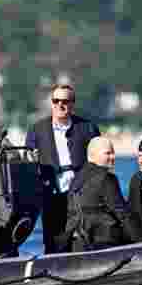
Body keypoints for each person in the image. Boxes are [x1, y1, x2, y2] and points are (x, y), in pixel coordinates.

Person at [25, 83, 101, 254]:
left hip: (81, 193)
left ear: (72, 103)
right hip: (52, 194)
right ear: (51, 103)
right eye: (56, 100)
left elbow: (100, 160)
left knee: (83, 238)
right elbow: (29, 163)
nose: (61, 104)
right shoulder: (37, 130)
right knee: (53, 243)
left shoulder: (88, 128)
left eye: (65, 101)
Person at [58, 136, 142, 252]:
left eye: (113, 153)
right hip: (102, 244)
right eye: (107, 153)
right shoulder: (106, 178)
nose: (113, 157)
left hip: (77, 243)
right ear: (93, 155)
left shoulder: (76, 179)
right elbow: (123, 214)